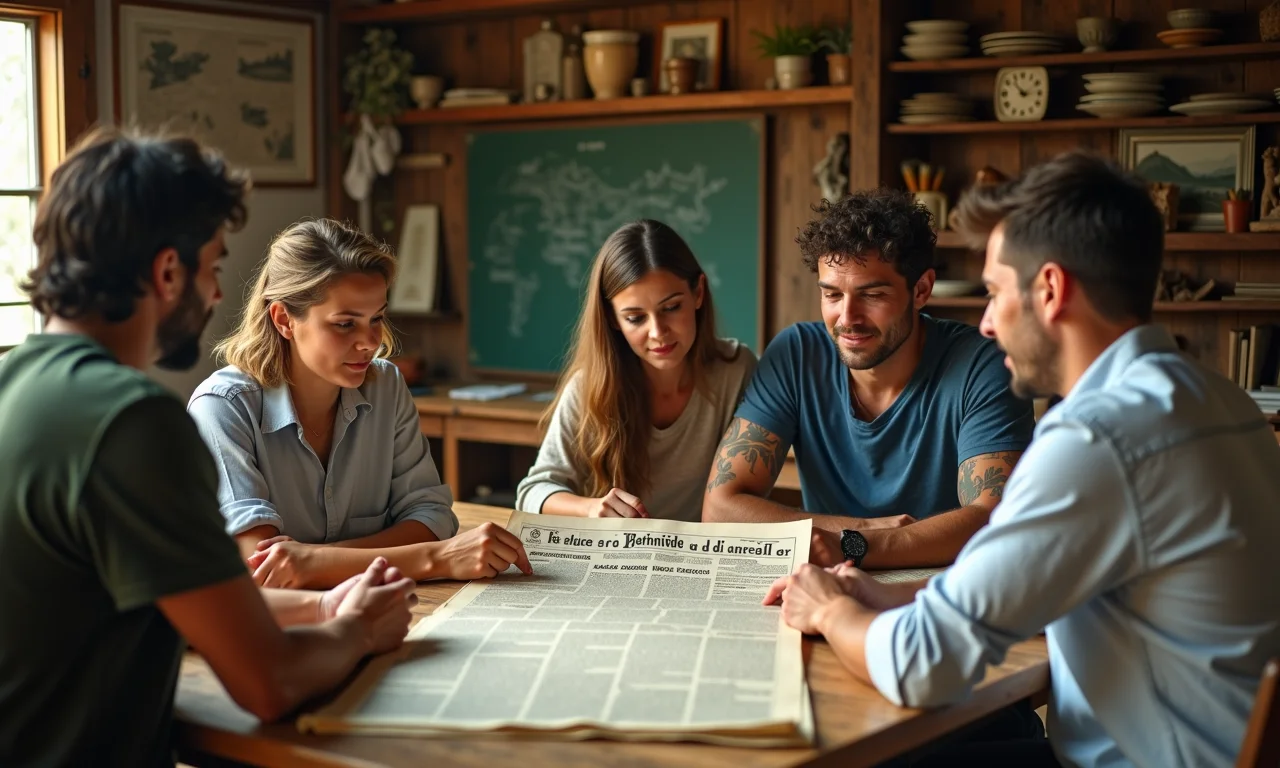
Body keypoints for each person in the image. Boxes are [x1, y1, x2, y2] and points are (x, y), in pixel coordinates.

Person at [766, 152, 1280, 767]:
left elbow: (919, 666)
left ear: (1052, 290)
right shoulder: (1219, 402)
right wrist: (887, 596)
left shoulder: (1094, 439)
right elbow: (1029, 580)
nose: (985, 324)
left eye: (994, 293)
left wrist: (828, 607)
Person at [0, 127, 418, 767]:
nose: (220, 294)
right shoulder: (132, 423)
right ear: (169, 270)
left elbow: (184, 595)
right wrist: (358, 627)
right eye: (215, 265)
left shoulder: (17, 386)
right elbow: (268, 684)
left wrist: (323, 604)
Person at [188, 218, 532, 589]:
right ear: (284, 319)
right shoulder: (223, 407)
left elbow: (430, 516)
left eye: (377, 318)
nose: (370, 341)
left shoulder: (386, 384)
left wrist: (315, 562)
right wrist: (435, 558)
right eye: (344, 324)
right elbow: (263, 570)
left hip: (386, 603)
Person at [703, 188, 1035, 569]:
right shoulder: (796, 354)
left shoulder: (982, 363)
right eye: (831, 295)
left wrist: (856, 546)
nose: (847, 318)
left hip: (937, 594)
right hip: (824, 586)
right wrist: (859, 529)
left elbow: (993, 519)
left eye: (872, 295)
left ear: (922, 290)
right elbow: (720, 508)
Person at [516, 219, 758, 522]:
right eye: (635, 318)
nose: (657, 332)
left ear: (698, 293)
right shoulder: (590, 386)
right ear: (613, 319)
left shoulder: (736, 370)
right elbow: (532, 491)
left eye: (671, 308)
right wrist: (591, 508)